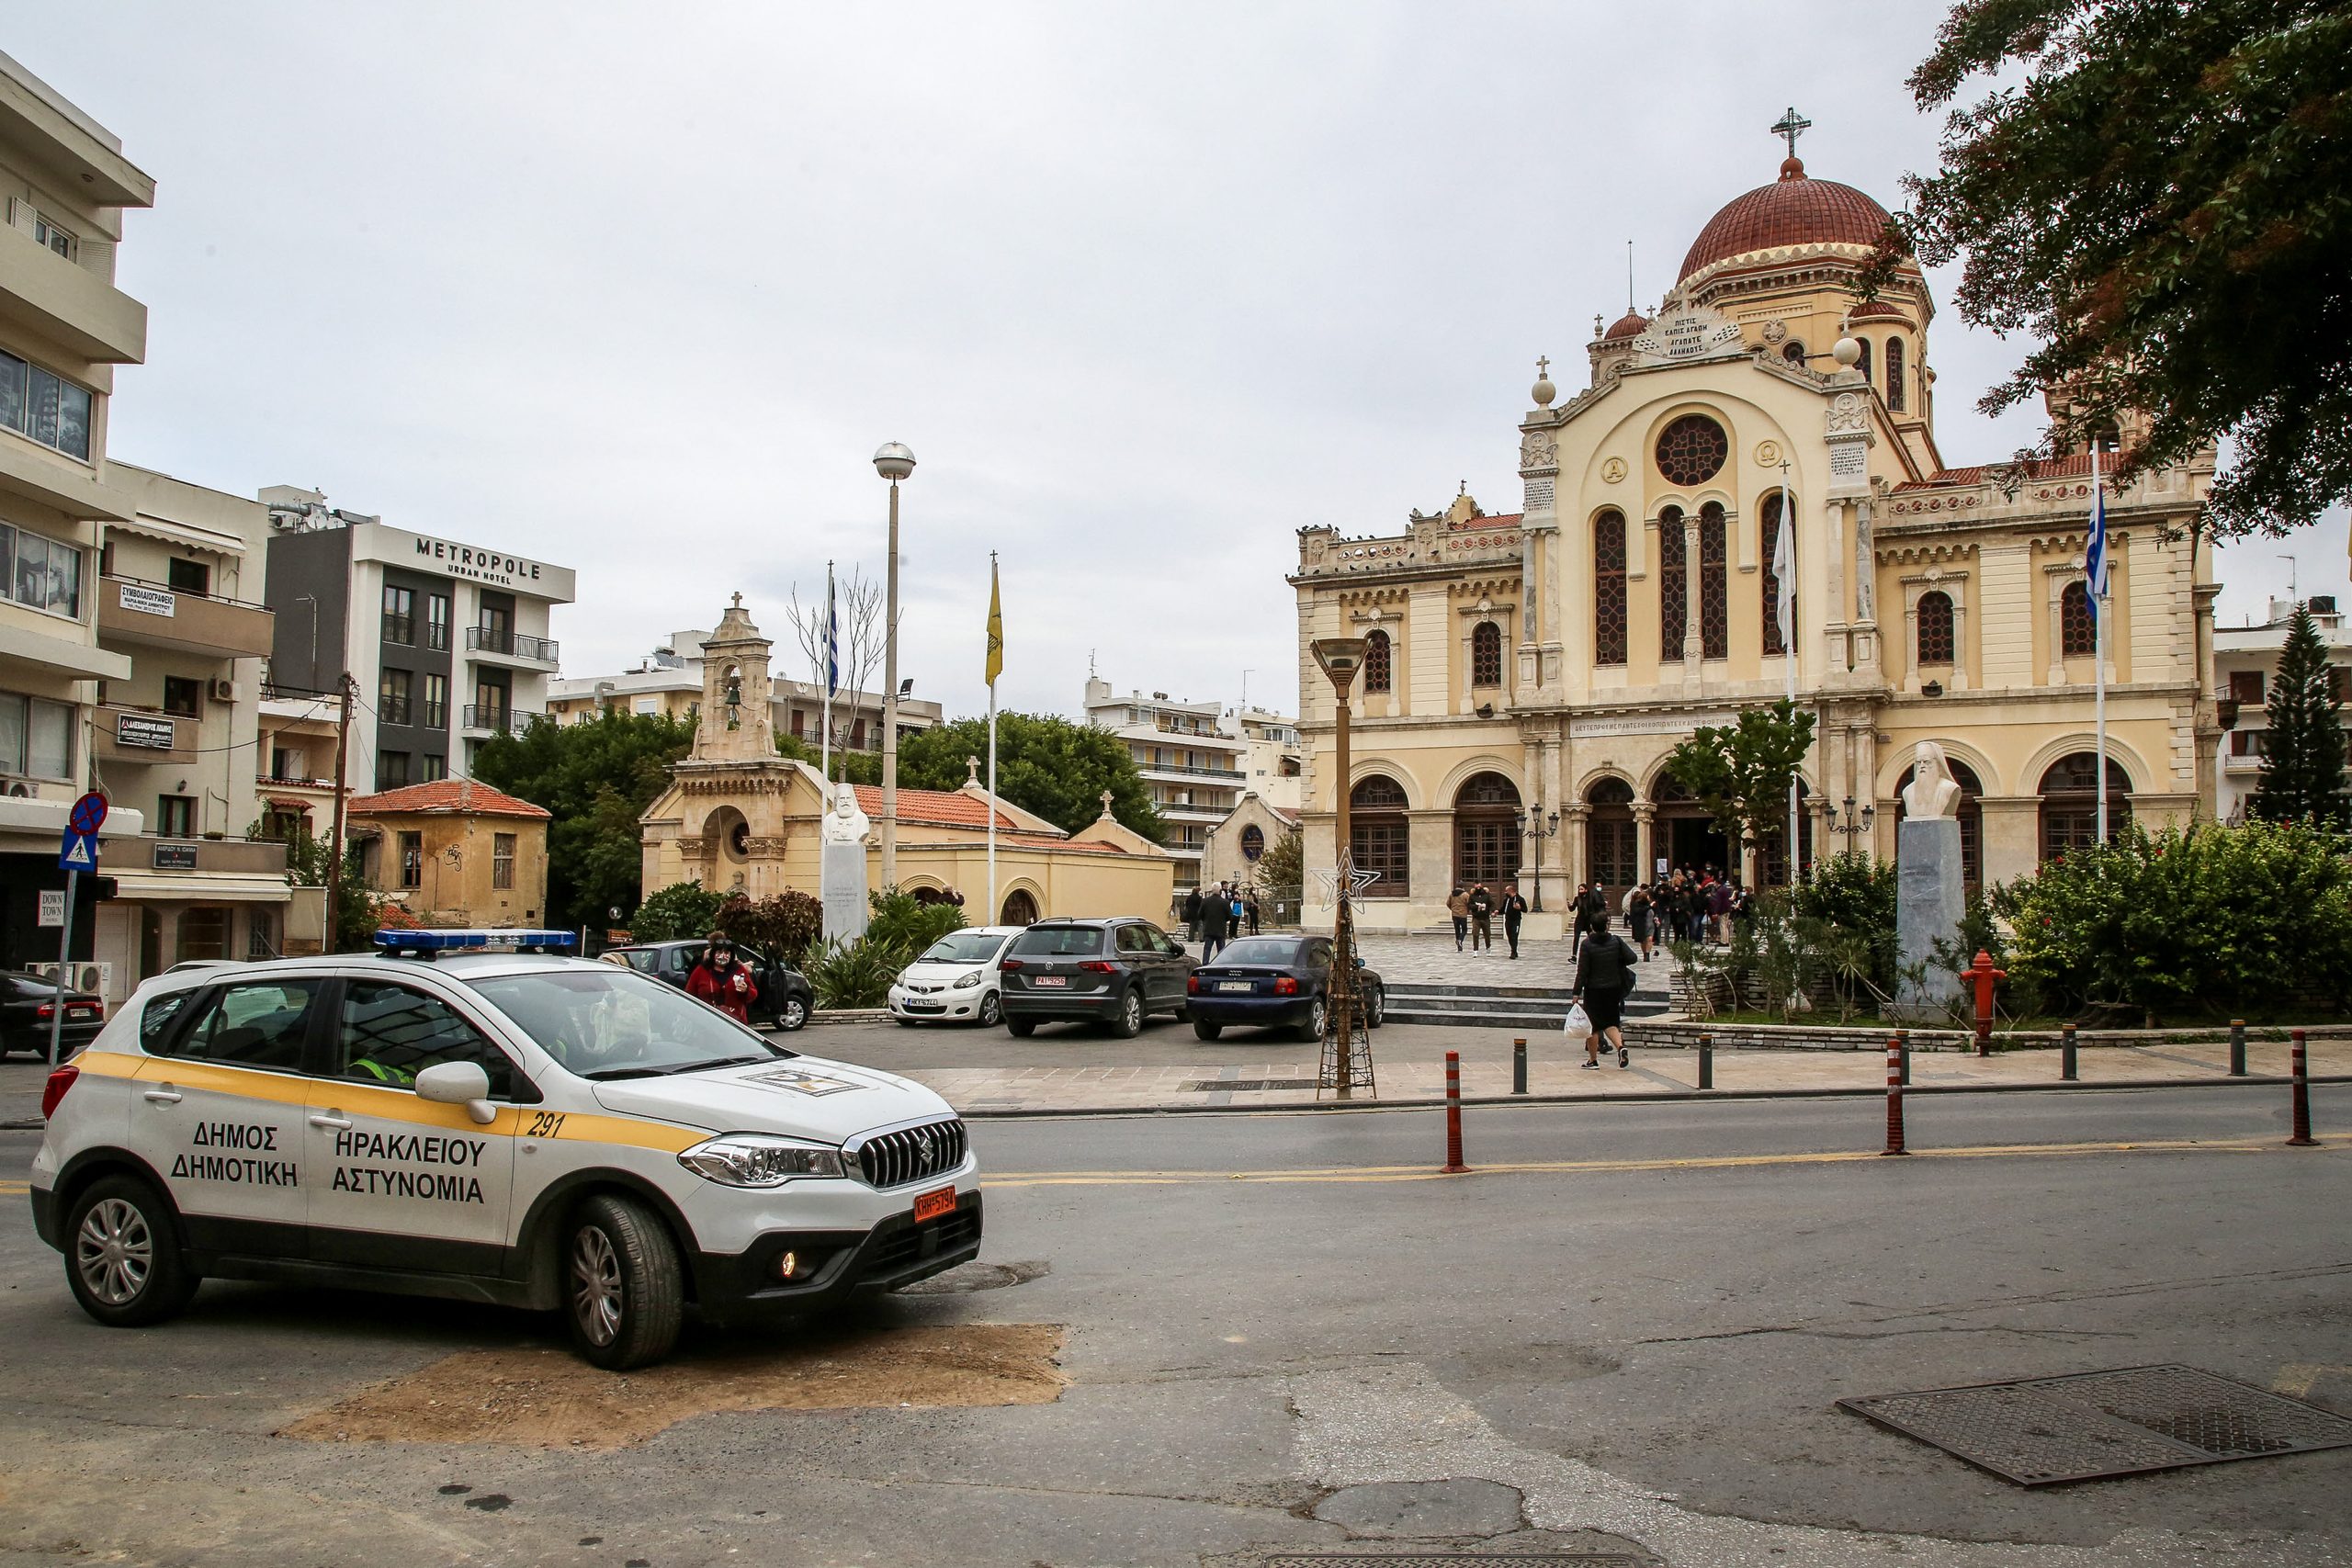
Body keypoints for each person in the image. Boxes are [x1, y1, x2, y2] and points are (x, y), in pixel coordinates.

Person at [1569, 914, 1640, 1070]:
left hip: (1594, 990)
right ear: (1607, 925)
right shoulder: (1616, 941)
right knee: (1611, 1022)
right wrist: (1618, 961)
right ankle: (1621, 1047)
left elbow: (1582, 971)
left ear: (1592, 927)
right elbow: (1632, 958)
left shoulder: (1587, 944)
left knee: (1592, 1026)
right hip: (1613, 988)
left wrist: (1576, 993)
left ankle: (1593, 1060)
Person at [685, 931, 758, 1024]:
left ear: (731, 955)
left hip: (736, 1023)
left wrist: (746, 990)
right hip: (707, 1022)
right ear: (713, 954)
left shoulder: (739, 969)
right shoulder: (701, 970)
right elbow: (689, 995)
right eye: (719, 952)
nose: (723, 956)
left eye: (726, 953)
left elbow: (753, 994)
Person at [1200, 880, 1232, 961]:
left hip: (1208, 929)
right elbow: (1230, 916)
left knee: (1207, 949)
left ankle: (1205, 963)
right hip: (1220, 929)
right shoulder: (1225, 902)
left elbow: (1200, 914)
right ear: (1220, 890)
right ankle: (1221, 964)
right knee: (1221, 951)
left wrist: (1206, 920)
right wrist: (1223, 920)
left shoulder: (1205, 901)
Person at [1499, 886, 1528, 959]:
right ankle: (1514, 950)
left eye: (1507, 891)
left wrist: (1519, 908)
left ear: (1511, 891)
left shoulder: (1520, 899)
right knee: (1509, 936)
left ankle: (1513, 952)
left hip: (1516, 920)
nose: (1505, 892)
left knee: (1514, 936)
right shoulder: (1506, 900)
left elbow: (1525, 909)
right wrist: (1497, 912)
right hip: (1508, 920)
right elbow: (1503, 909)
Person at [1629, 884, 1655, 959]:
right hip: (1641, 925)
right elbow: (1640, 911)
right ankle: (1644, 953)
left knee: (1649, 939)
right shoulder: (1637, 905)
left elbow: (1656, 912)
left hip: (1650, 924)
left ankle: (1647, 954)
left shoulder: (1651, 904)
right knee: (1643, 941)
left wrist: (1656, 918)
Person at [1468, 883, 1495, 951]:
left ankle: (1488, 947)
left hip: (1485, 917)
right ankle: (1475, 950)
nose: (1478, 887)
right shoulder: (1472, 896)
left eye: (1479, 885)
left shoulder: (1487, 895)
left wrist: (1493, 911)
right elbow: (1469, 905)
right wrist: (1477, 907)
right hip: (1476, 918)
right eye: (1476, 885)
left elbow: (1492, 903)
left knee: (1487, 934)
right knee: (1475, 934)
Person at [1446, 886, 1470, 951]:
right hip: (1462, 915)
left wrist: (1452, 909)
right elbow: (1469, 903)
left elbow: (1448, 903)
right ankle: (1460, 940)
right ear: (1462, 887)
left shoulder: (1452, 894)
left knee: (1457, 930)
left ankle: (1459, 946)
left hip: (1454, 914)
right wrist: (1468, 910)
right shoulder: (1465, 894)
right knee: (1464, 929)